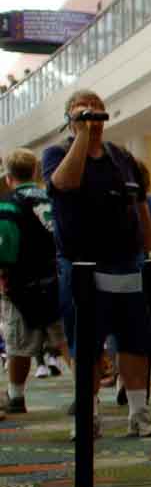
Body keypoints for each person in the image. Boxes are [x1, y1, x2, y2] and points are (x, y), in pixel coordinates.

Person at [41, 89, 151, 438]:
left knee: (135, 339)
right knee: (86, 342)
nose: (93, 115)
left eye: (98, 110)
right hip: (81, 265)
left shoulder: (121, 157)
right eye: (84, 110)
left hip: (126, 262)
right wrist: (80, 137)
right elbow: (65, 183)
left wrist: (149, 253)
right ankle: (89, 413)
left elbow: (140, 207)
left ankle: (138, 412)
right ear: (70, 118)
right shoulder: (56, 154)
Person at [0, 152, 62, 416]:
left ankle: (16, 396)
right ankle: (86, 395)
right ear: (37, 172)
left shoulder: (9, 204)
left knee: (19, 345)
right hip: (57, 280)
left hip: (21, 286)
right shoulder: (53, 200)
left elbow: (6, 246)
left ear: (8, 176)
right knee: (65, 340)